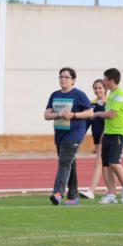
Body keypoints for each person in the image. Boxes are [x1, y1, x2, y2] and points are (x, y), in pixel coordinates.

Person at [44, 67, 93, 205]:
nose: (63, 79)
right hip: (59, 134)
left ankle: (58, 193)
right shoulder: (54, 95)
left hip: (74, 134)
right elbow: (46, 115)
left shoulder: (78, 95)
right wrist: (58, 114)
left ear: (73, 80)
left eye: (66, 77)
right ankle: (73, 196)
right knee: (70, 163)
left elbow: (90, 113)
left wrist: (73, 115)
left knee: (64, 162)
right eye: (61, 77)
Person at [93, 68, 123, 204]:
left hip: (119, 132)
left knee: (114, 162)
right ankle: (111, 193)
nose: (103, 81)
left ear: (111, 80)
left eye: (105, 79)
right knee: (106, 165)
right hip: (109, 133)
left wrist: (97, 114)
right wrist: (104, 133)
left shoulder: (120, 94)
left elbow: (111, 115)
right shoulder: (110, 95)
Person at [80, 80, 107, 200]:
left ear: (105, 89)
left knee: (99, 163)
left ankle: (91, 190)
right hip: (96, 137)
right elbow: (87, 122)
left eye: (100, 88)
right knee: (106, 165)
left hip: (107, 136)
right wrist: (81, 136)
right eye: (95, 88)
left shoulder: (110, 103)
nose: (98, 90)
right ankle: (112, 190)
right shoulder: (91, 104)